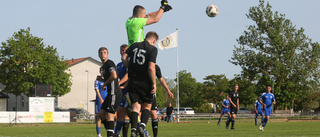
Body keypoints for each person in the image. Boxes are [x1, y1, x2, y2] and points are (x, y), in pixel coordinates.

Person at [122, 31, 159, 137]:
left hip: (133, 81)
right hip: (145, 81)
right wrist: (154, 83)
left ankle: (133, 130)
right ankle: (142, 126)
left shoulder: (134, 46)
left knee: (135, 108)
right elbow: (151, 68)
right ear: (154, 40)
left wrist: (129, 66)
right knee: (147, 106)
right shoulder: (153, 49)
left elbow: (124, 57)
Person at [98, 47, 122, 136]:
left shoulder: (109, 63)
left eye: (104, 52)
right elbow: (110, 79)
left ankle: (111, 134)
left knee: (109, 115)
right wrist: (102, 80)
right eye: (101, 53)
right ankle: (113, 134)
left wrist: (104, 84)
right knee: (101, 114)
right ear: (98, 55)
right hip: (110, 93)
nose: (102, 54)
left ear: (107, 54)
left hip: (114, 93)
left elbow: (114, 76)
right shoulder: (103, 67)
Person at [149, 64, 174, 137]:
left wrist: (168, 90)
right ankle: (141, 131)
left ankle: (155, 135)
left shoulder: (156, 67)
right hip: (141, 92)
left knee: (154, 114)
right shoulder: (141, 65)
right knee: (139, 113)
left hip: (151, 93)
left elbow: (161, 80)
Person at [114, 44, 131, 137]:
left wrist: (120, 84)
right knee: (124, 114)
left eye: (124, 50)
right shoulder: (119, 65)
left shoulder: (129, 63)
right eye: (121, 50)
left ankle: (116, 133)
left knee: (125, 112)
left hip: (129, 92)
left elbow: (128, 76)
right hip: (122, 92)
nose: (123, 52)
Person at [94, 73, 108, 137]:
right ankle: (98, 134)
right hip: (100, 101)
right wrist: (100, 99)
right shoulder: (97, 81)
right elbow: (97, 90)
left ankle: (111, 131)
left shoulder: (108, 80)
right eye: (101, 70)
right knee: (99, 117)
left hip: (107, 100)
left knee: (109, 116)